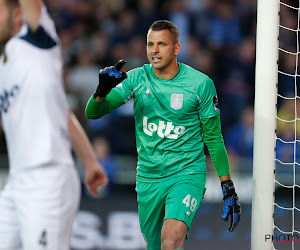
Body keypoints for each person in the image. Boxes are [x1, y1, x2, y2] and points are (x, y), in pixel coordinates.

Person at [86, 20, 241, 250]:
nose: (154, 51)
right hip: (148, 178)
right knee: (157, 246)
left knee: (171, 240)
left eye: (162, 44)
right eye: (150, 44)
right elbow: (93, 113)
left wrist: (227, 186)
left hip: (186, 174)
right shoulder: (137, 78)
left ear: (176, 48)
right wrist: (100, 92)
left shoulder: (200, 85)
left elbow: (214, 138)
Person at [0, 0, 108, 249]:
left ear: (18, 15)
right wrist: (90, 161)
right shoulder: (5, 64)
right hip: (17, 180)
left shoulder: (37, 41)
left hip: (47, 180)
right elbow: (62, 114)